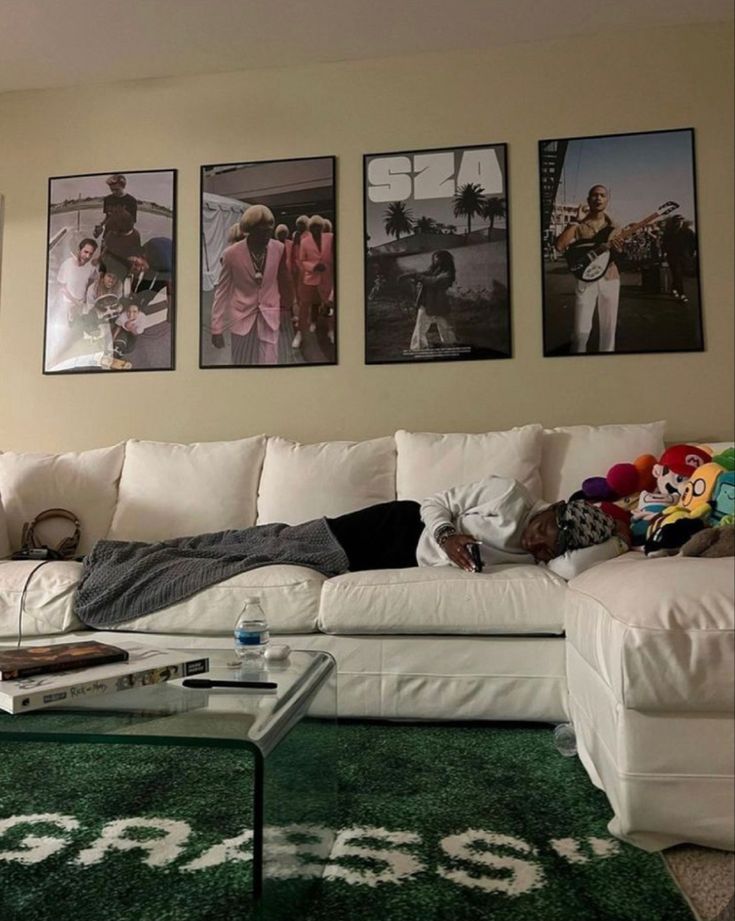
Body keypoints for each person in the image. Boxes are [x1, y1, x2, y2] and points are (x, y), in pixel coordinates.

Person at [210, 204, 294, 365]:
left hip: (270, 316)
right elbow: (222, 291)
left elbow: (285, 282)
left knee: (269, 364)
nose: (266, 236)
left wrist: (289, 311)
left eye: (269, 231)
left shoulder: (279, 249)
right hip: (241, 318)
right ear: (249, 229)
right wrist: (216, 328)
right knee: (241, 363)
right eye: (262, 232)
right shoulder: (231, 254)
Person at [554, 185, 624, 353]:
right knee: (580, 333)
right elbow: (560, 245)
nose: (598, 198)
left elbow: (619, 255)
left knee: (609, 328)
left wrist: (619, 248)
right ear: (588, 199)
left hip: (610, 278)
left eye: (602, 195)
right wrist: (576, 221)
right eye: (594, 195)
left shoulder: (615, 226)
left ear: (607, 200)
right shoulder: (578, 225)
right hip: (585, 280)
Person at [403, 250, 457, 351]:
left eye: (438, 258)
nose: (435, 260)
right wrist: (409, 275)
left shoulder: (448, 273)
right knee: (420, 327)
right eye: (434, 258)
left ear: (444, 260)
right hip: (427, 302)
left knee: (445, 327)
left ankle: (450, 344)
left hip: (440, 303)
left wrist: (417, 277)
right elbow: (424, 275)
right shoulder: (434, 270)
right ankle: (418, 347)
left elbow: (434, 282)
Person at [56, 238, 98, 325]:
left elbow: (92, 281)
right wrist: (75, 302)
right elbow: (61, 288)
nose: (88, 256)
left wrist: (85, 300)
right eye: (85, 252)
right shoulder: (67, 265)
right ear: (79, 250)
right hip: (67, 304)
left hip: (81, 304)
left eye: (91, 254)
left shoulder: (90, 267)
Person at [662, 215, 697, 304]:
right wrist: (664, 254)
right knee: (677, 273)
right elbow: (664, 244)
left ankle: (674, 288)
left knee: (679, 274)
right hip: (673, 257)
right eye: (677, 221)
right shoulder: (669, 232)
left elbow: (693, 243)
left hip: (685, 256)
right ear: (674, 222)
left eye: (681, 221)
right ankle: (682, 294)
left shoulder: (688, 232)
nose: (679, 222)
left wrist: (692, 253)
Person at [94, 174, 138, 240]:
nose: (114, 192)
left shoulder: (131, 201)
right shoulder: (108, 199)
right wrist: (101, 227)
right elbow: (107, 217)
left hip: (122, 237)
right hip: (107, 235)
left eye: (117, 189)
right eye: (112, 189)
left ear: (123, 186)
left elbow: (132, 222)